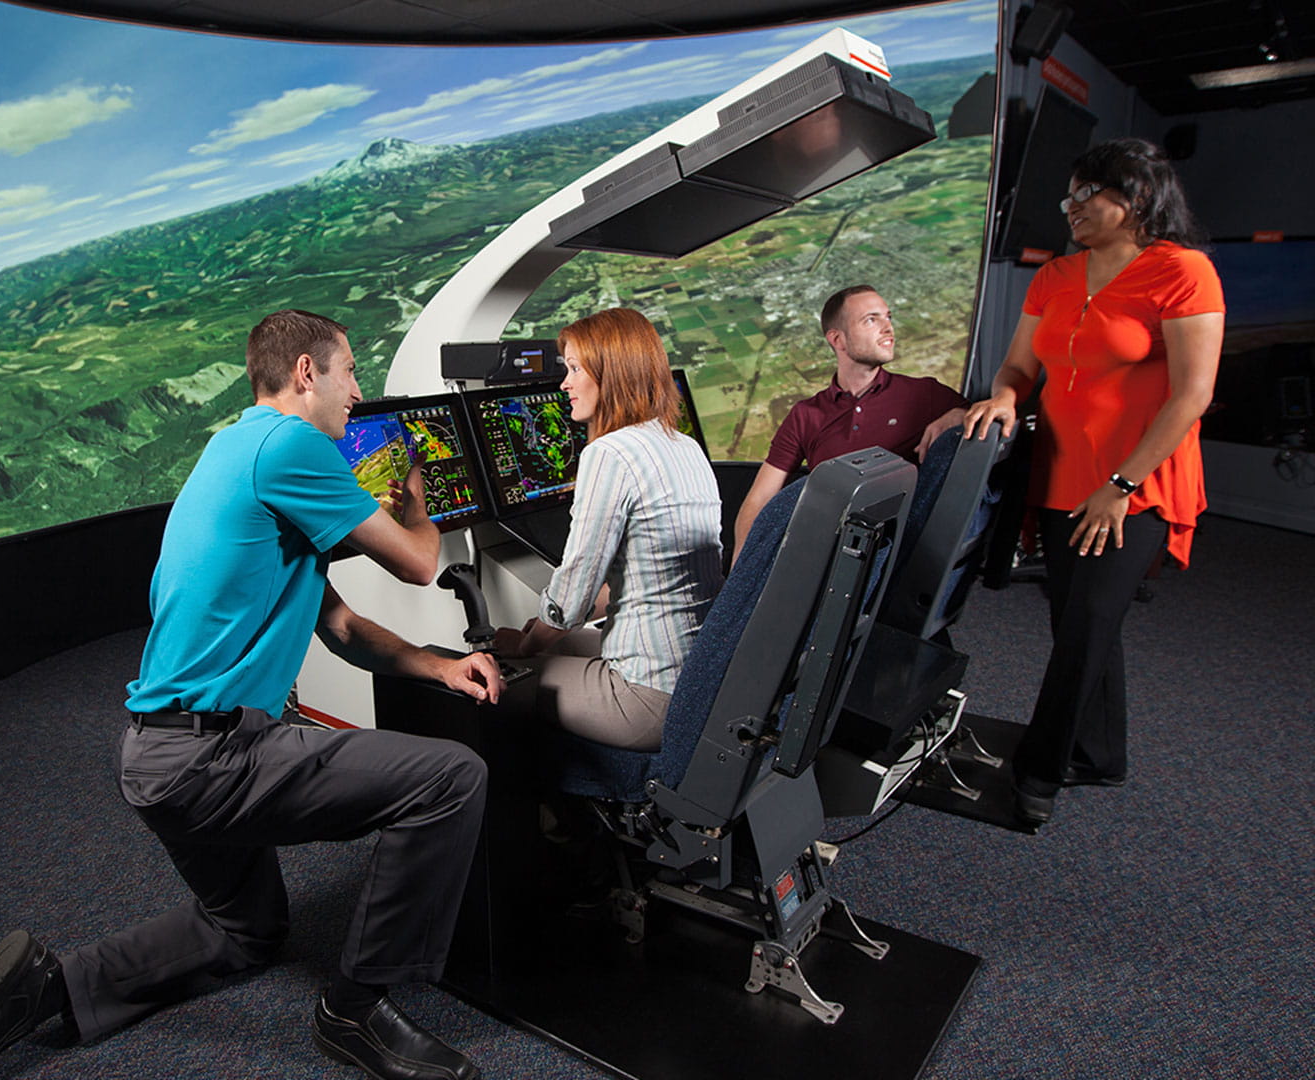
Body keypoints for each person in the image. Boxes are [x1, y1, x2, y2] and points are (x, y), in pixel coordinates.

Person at [0, 310, 505, 1080]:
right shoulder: (294, 444)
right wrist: (414, 495)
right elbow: (422, 564)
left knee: (245, 931)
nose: (358, 393)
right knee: (450, 780)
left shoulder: (233, 448)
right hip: (217, 755)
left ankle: (49, 990)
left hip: (153, 754)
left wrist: (435, 664)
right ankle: (355, 1013)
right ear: (305, 374)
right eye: (350, 373)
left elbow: (341, 626)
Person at [963, 137, 1223, 826]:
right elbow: (1018, 368)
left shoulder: (1183, 272)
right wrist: (1007, 398)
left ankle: (1039, 771)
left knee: (1087, 624)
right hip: (1057, 478)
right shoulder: (1054, 274)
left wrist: (1121, 484)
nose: (1070, 208)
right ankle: (1100, 753)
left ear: (1133, 199)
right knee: (1075, 623)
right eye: (1068, 196)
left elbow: (1191, 396)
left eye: (1086, 195)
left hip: (1136, 485)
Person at [492, 308, 723, 751]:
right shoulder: (684, 445)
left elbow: (572, 597)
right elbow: (644, 571)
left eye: (575, 368)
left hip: (645, 697)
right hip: (698, 679)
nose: (564, 383)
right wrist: (539, 633)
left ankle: (540, 816)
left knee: (500, 678)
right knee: (542, 639)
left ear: (611, 373)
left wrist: (525, 647)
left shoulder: (610, 453)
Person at [732, 285, 968, 566]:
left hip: (892, 558)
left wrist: (959, 414)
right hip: (819, 554)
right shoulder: (806, 415)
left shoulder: (925, 395)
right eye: (871, 319)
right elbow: (760, 499)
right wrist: (740, 567)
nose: (888, 328)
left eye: (888, 317)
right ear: (838, 340)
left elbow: (986, 418)